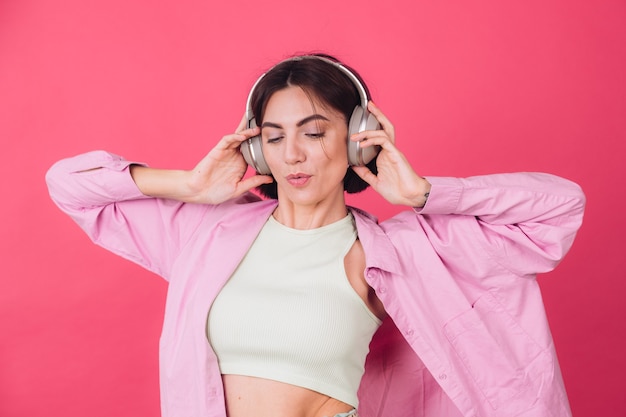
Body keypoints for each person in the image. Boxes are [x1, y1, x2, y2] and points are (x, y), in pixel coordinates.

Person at [46, 53, 585, 417]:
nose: (293, 155)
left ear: (357, 140)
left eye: (314, 131)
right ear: (258, 150)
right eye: (274, 138)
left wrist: (423, 194)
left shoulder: (398, 252)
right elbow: (68, 185)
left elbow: (558, 209)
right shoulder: (208, 235)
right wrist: (189, 184)